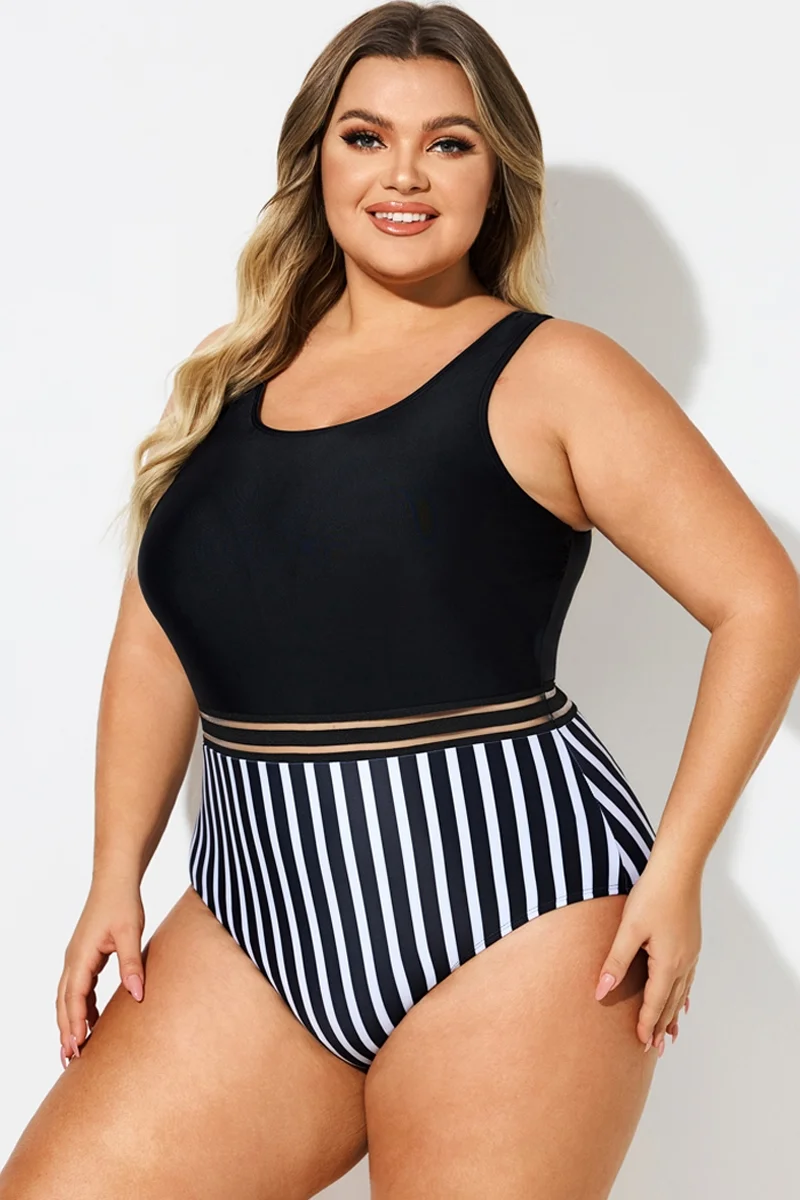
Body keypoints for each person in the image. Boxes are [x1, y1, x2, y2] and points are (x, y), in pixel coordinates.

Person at [3, 2, 799, 1197]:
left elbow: (758, 600)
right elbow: (157, 639)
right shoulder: (229, 382)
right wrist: (114, 873)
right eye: (366, 137)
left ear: (496, 173)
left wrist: (676, 870)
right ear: (316, 160)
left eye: (449, 143)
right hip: (255, 913)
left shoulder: (552, 371)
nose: (404, 175)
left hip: (520, 912)